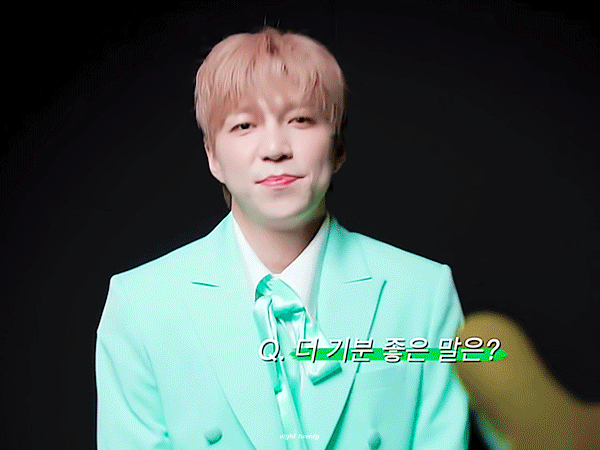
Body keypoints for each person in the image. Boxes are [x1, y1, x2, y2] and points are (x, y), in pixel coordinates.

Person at [95, 26, 468, 450]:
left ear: (338, 145)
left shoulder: (422, 292)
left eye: (301, 120)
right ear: (212, 155)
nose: (275, 148)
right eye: (244, 125)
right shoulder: (141, 304)